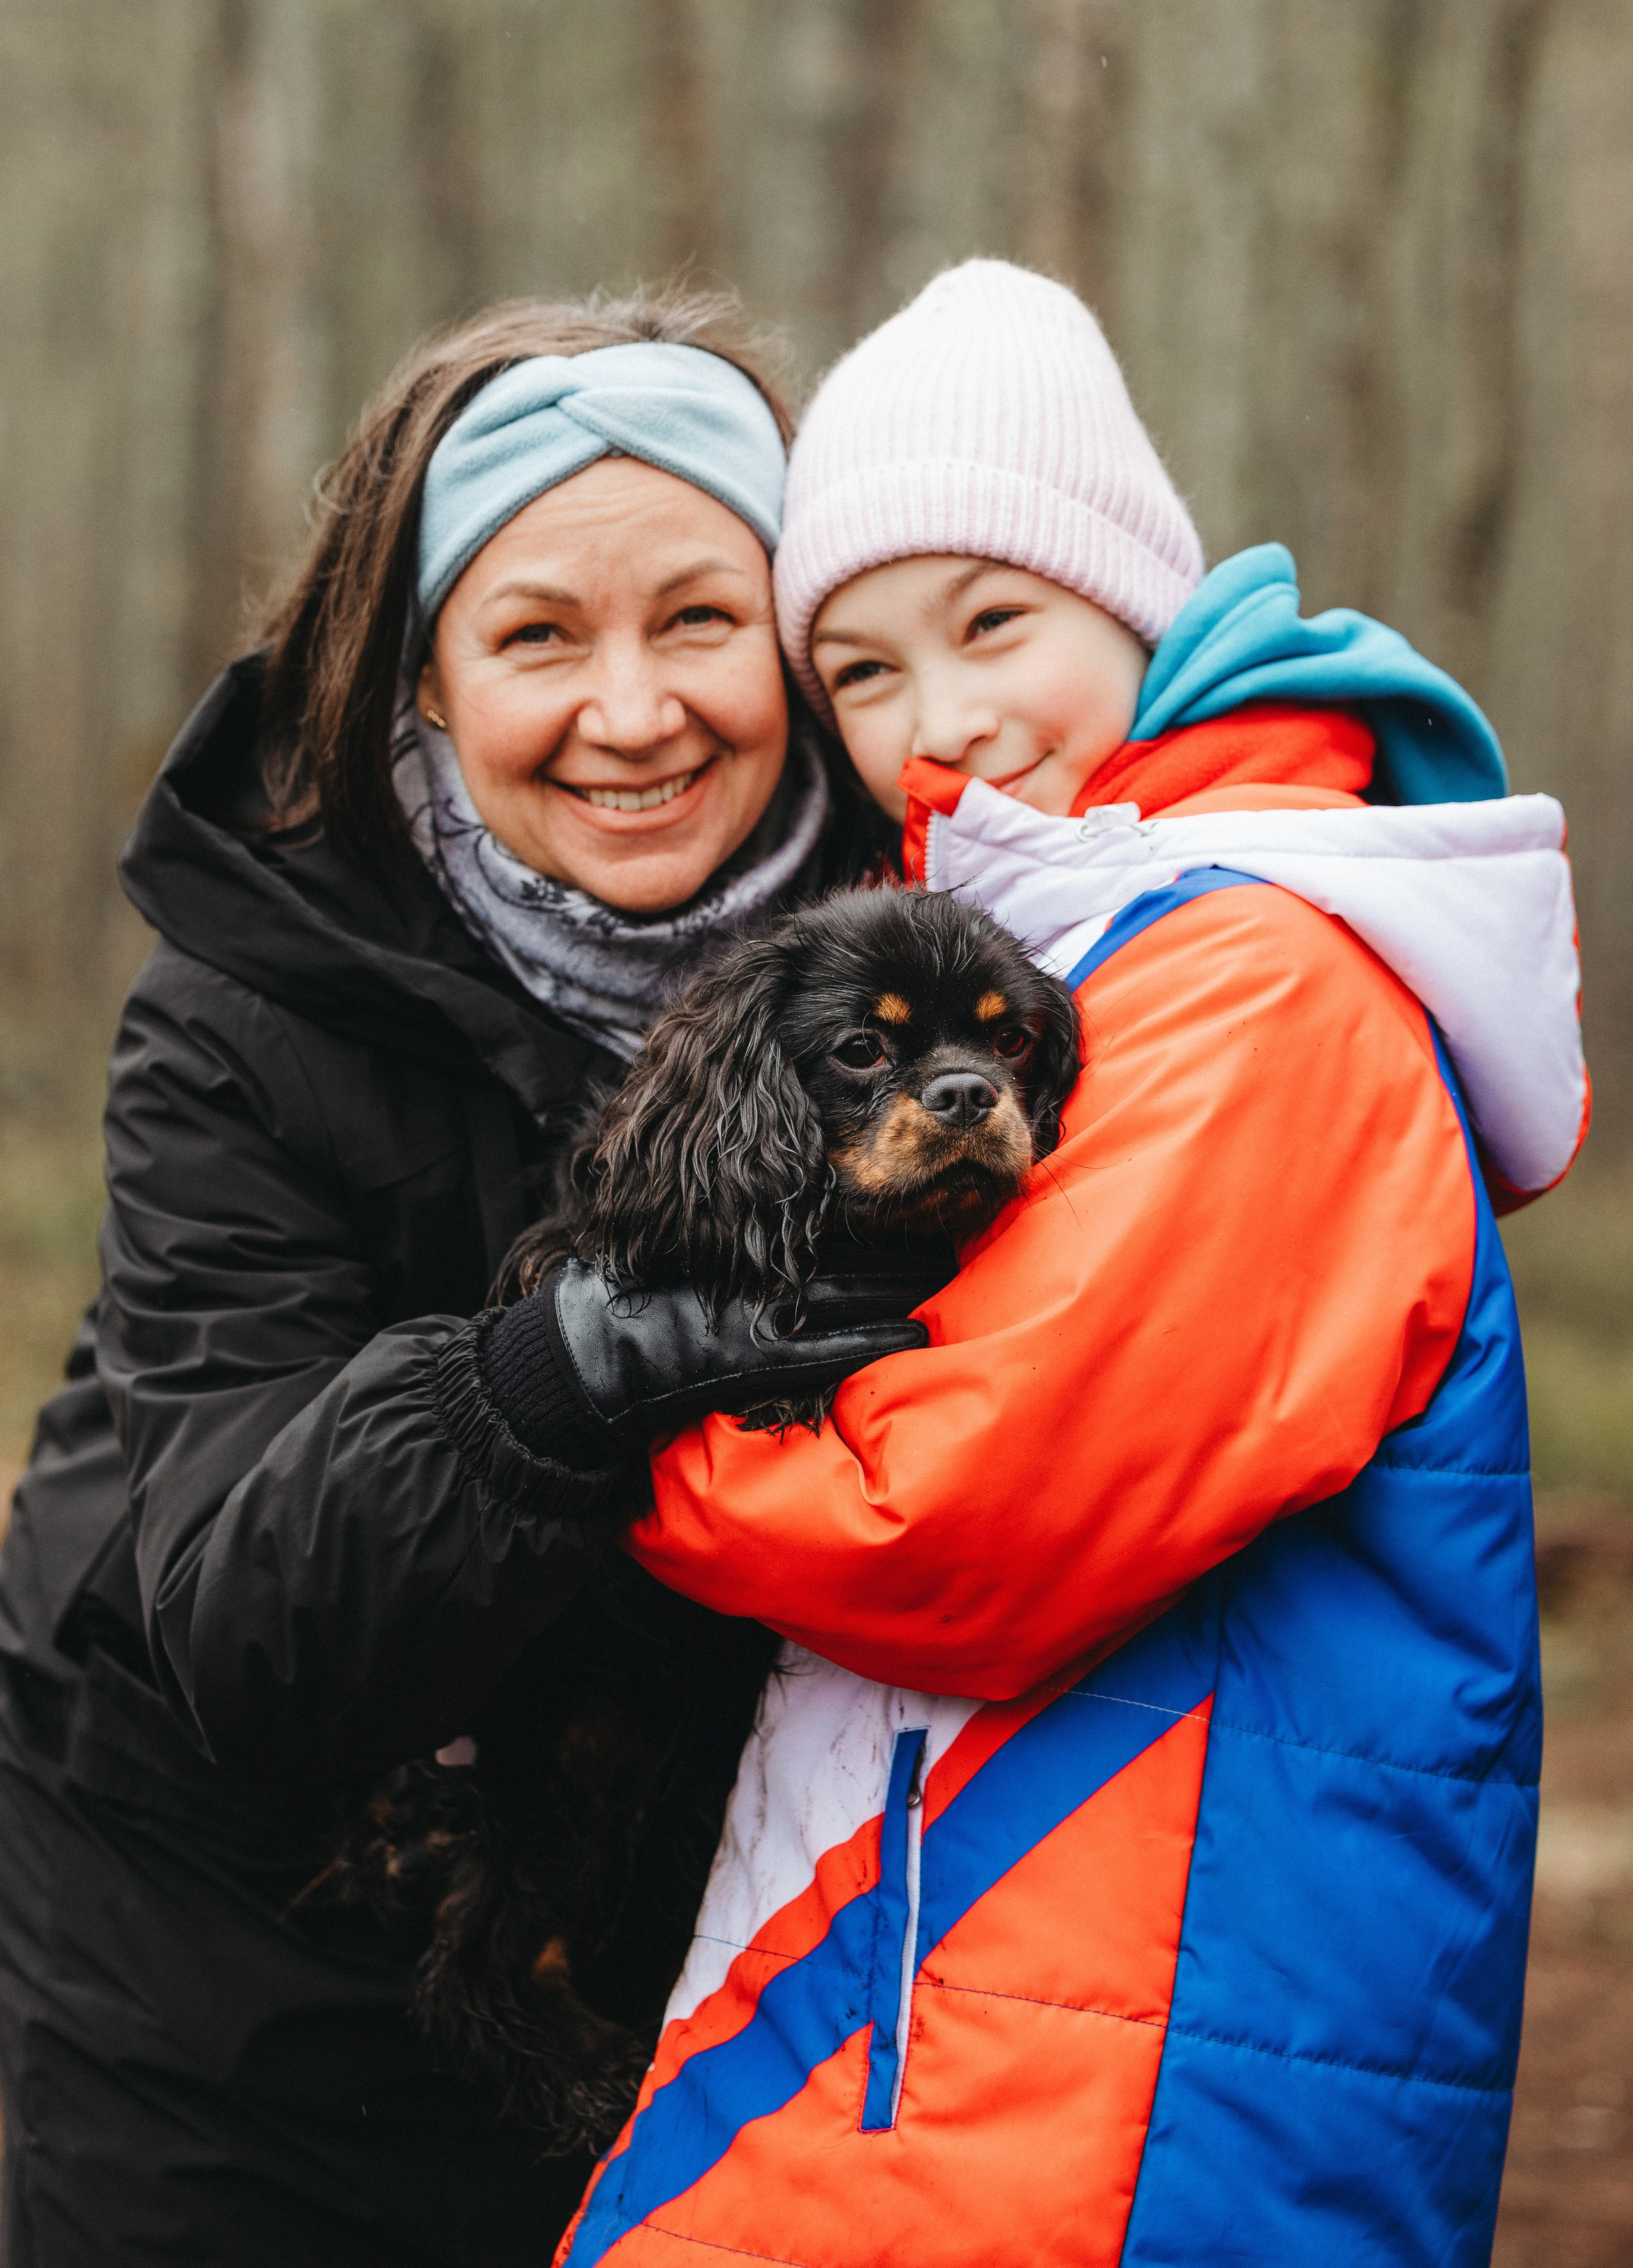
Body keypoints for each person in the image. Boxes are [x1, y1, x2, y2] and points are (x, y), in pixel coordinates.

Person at [556, 262, 1589, 2267]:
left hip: (1153, 2056)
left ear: (1139, 596)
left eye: (993, 624)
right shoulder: (1076, 951)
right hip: (1013, 2000)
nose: (937, 719)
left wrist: (604, 1428)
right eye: (859, 671)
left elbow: (943, 1514)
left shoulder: (1266, 974)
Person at [0, 290, 929, 2267]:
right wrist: (552, 1377)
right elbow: (247, 1638)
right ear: (418, 680)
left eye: (700, 619)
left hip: (698, 1979)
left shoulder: (942, 963)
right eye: (535, 636)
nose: (633, 710)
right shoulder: (246, 1010)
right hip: (230, 1980)